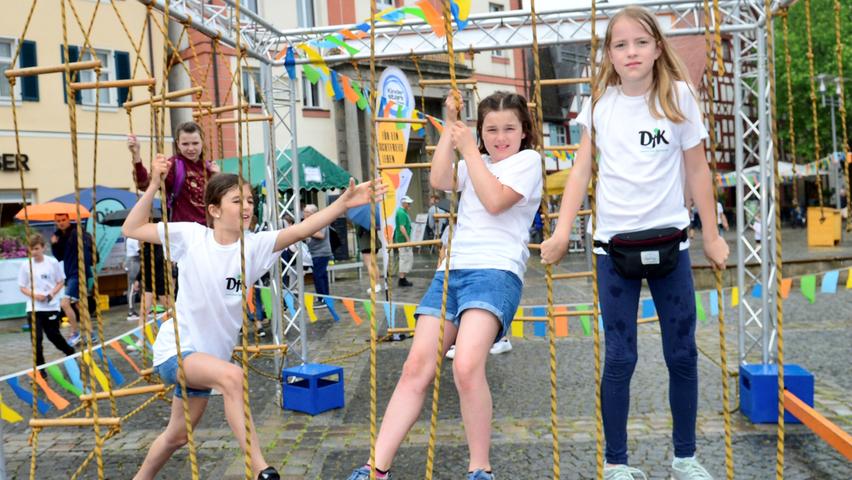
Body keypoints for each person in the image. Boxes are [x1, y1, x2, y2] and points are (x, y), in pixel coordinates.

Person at [540, 7, 729, 479]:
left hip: (672, 246)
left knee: (682, 352)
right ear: (609, 53)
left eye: (640, 43)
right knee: (621, 357)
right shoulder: (599, 102)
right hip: (613, 250)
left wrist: (712, 234)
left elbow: (697, 168)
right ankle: (617, 464)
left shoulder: (680, 97)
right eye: (620, 45)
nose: (631, 52)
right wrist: (562, 231)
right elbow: (582, 169)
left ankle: (684, 457)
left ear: (657, 48)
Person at [123, 154, 384, 480]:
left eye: (249, 200)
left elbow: (303, 229)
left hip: (208, 363)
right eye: (236, 201)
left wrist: (342, 205)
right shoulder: (192, 236)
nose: (247, 207)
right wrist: (153, 186)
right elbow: (131, 228)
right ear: (215, 210)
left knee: (176, 436)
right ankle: (261, 469)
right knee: (232, 377)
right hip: (176, 352)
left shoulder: (255, 246)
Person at [348, 90, 542, 480]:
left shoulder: (528, 161)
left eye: (509, 128)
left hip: (495, 272)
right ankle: (376, 468)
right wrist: (451, 125)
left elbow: (494, 201)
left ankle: (479, 468)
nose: (499, 136)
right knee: (415, 366)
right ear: (480, 131)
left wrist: (469, 149)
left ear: (524, 132)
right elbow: (438, 179)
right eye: (491, 129)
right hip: (451, 271)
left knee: (467, 366)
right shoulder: (476, 161)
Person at [128, 121, 219, 225]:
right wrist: (136, 155)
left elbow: (220, 201)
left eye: (195, 143)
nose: (191, 148)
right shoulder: (173, 165)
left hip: (208, 230)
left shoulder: (209, 167)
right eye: (185, 144)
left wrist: (217, 177)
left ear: (202, 142)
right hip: (182, 230)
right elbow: (144, 185)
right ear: (178, 144)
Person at [18, 234, 76, 374]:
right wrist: (34, 295)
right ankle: (40, 369)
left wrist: (51, 294)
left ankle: (70, 352)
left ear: (43, 248)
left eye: (37, 248)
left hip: (50, 306)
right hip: (33, 307)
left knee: (53, 336)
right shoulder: (26, 265)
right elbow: (22, 286)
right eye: (32, 249)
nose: (34, 252)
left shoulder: (52, 262)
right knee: (36, 340)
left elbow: (60, 281)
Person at [51, 213, 95, 346]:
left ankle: (75, 332)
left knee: (65, 303)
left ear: (68, 220)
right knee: (79, 305)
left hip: (78, 273)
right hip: (70, 274)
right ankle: (91, 334)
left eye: (63, 220)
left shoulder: (76, 233)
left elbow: (88, 252)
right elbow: (59, 257)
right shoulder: (59, 236)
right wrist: (54, 245)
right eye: (58, 221)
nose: (61, 222)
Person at [303, 204, 332, 308]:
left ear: (312, 213)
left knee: (318, 276)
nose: (304, 214)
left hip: (321, 253)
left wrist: (308, 232)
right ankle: (324, 298)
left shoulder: (321, 221)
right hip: (314, 253)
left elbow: (321, 235)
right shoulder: (310, 222)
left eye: (306, 212)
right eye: (304, 212)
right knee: (320, 276)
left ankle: (323, 299)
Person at [393, 196, 414, 287]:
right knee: (404, 258)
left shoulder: (402, 212)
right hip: (403, 240)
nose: (410, 205)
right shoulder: (401, 213)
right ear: (404, 203)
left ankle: (403, 278)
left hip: (403, 239)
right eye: (408, 203)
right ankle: (402, 279)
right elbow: (402, 227)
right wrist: (408, 240)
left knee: (406, 258)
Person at [125, 237, 141, 321]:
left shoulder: (134, 237)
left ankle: (146, 309)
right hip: (133, 262)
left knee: (140, 287)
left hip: (136, 261)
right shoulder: (132, 238)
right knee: (132, 288)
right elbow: (140, 251)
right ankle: (131, 312)